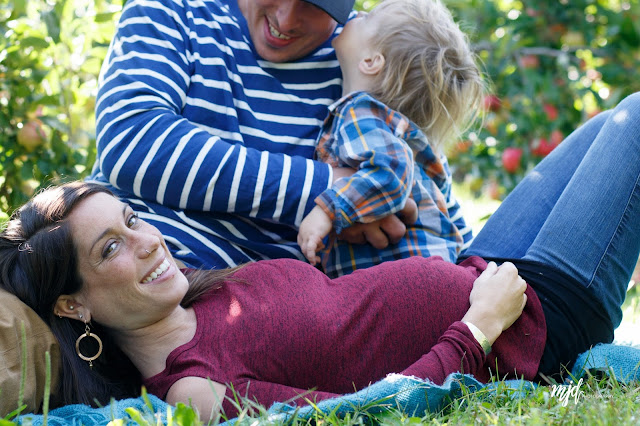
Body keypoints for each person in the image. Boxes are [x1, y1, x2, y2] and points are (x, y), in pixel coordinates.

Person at [2, 92, 640, 421]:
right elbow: (366, 415)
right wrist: (480, 328)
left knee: (611, 119)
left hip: (486, 269)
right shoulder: (190, 388)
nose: (148, 241)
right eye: (111, 246)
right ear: (72, 301)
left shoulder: (205, 293)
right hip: (528, 326)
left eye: (133, 219)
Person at [90, 0, 463, 273]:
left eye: (315, 5)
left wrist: (373, 194)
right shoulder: (175, 11)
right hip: (133, 265)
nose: (285, 19)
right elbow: (131, 140)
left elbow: (427, 189)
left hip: (269, 301)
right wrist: (330, 191)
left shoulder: (360, 58)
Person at [297, 0, 483, 276]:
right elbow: (454, 222)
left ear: (371, 61)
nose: (356, 13)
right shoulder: (410, 138)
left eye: (368, 17)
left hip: (409, 283)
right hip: (438, 274)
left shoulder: (360, 111)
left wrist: (328, 210)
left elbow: (389, 172)